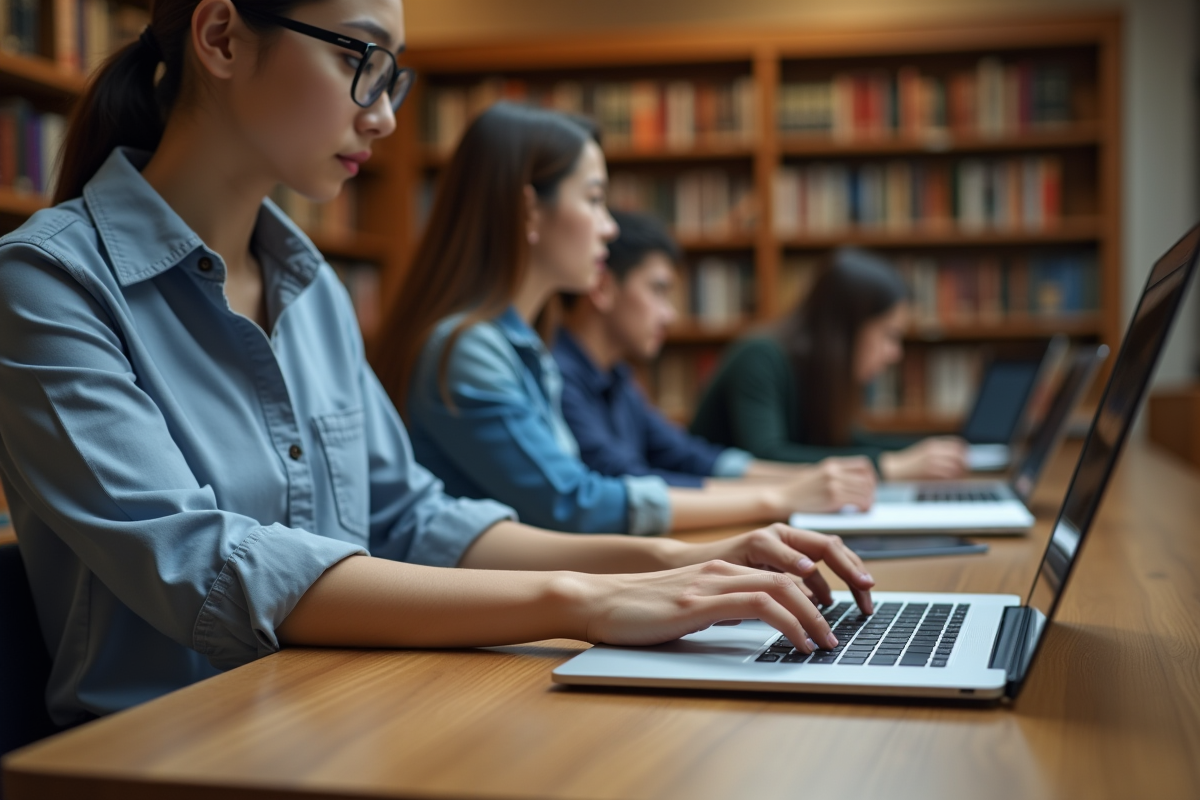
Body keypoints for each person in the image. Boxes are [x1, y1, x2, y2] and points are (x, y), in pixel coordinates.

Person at [0, 0, 874, 725]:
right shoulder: (46, 283)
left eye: (394, 73)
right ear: (222, 37)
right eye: (363, 58)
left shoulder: (315, 291)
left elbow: (416, 521)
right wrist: (581, 599)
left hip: (354, 714)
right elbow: (205, 566)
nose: (382, 113)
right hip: (165, 759)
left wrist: (683, 562)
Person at [376, 102, 875, 539]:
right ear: (529, 210)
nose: (609, 227)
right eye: (593, 200)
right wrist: (779, 498)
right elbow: (572, 502)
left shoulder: (522, 344)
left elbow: (648, 468)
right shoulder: (469, 348)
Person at [555, 208, 873, 493]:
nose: (670, 315)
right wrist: (776, 495)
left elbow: (684, 454)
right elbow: (622, 481)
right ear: (603, 288)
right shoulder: (558, 375)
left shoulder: (616, 376)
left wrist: (799, 480)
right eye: (658, 290)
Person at [690, 247, 969, 481]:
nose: (894, 353)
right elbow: (767, 456)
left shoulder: (816, 372)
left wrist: (926, 450)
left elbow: (849, 440)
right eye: (889, 335)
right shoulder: (759, 357)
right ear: (848, 330)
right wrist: (891, 466)